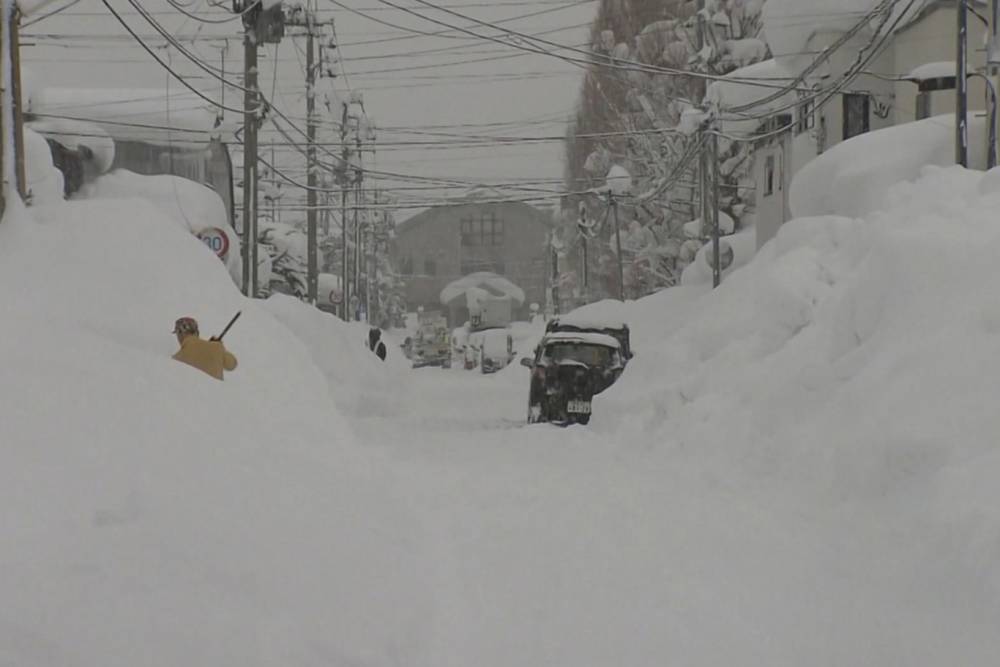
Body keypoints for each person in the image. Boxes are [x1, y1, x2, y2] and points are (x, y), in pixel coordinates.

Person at [171, 316, 238, 381]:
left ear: (179, 333)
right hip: (215, 388)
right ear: (197, 332)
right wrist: (218, 348)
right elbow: (232, 365)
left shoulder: (178, 357)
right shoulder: (216, 348)